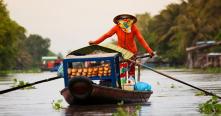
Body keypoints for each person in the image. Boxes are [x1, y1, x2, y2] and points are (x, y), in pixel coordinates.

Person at [89, 14, 154, 78]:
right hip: (121, 52)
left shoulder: (133, 27)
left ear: (130, 20)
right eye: (123, 19)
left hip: (132, 52)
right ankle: (122, 85)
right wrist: (95, 42)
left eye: (127, 19)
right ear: (119, 21)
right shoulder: (117, 27)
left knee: (131, 70)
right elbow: (107, 35)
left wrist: (149, 51)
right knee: (122, 70)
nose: (125, 21)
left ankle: (131, 83)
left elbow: (141, 39)